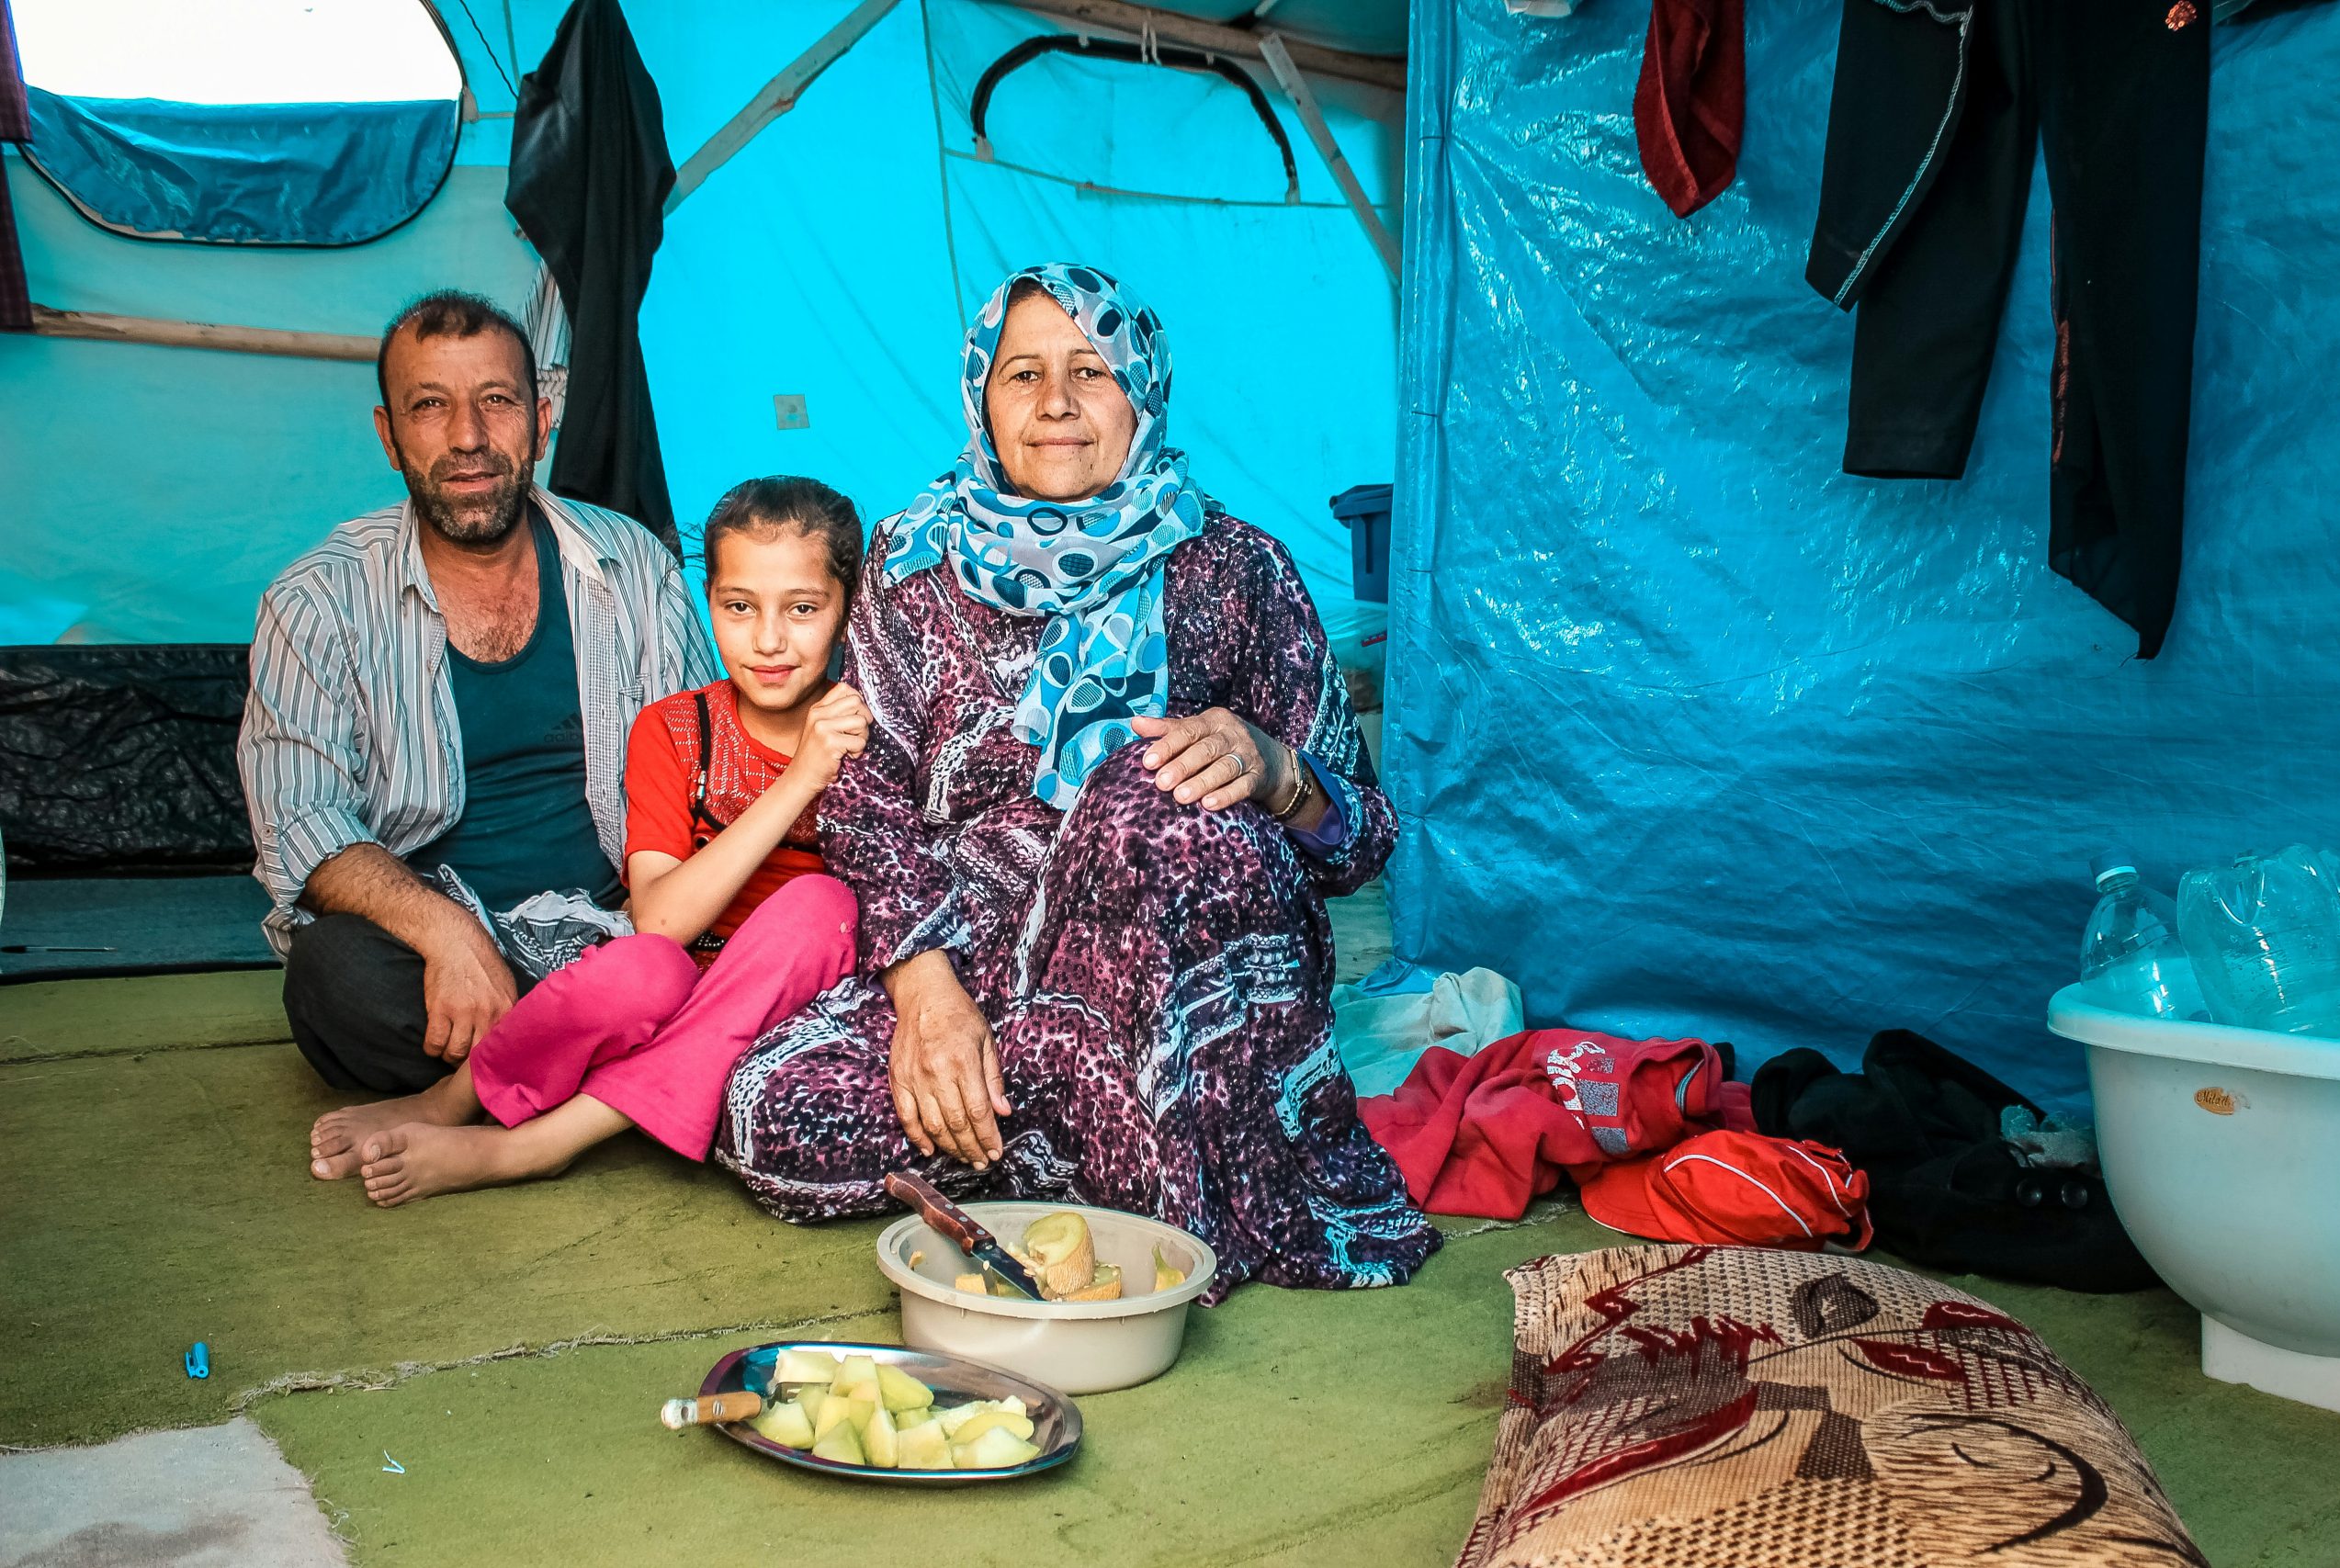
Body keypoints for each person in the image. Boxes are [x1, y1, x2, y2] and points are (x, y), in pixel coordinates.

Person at [716, 264, 1441, 1300]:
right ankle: (1129, 1119)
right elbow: (865, 798)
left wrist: (1278, 773)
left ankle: (1134, 1129)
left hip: (1182, 959)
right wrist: (925, 993)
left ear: (1141, 389)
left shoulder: (1236, 569)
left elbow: (1363, 836)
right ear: (982, 398)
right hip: (983, 963)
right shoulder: (913, 566)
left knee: (1146, 800)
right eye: (1023, 375)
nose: (1055, 404)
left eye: (1090, 371)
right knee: (773, 1111)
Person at [308, 479, 874, 1204]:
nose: (768, 639)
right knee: (643, 966)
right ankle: (456, 1098)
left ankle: (536, 1144)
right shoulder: (673, 730)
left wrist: (826, 761)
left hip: (797, 1011)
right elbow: (662, 920)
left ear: (847, 610)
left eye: (802, 608)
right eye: (739, 607)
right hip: (689, 987)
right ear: (709, 604)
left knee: (818, 903)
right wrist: (799, 780)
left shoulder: (870, 727)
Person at [239, 290, 717, 1110]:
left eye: (496, 401)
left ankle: (517, 1074)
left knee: (767, 930)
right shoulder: (316, 601)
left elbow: (706, 762)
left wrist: (663, 927)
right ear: (390, 436)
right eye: (431, 406)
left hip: (618, 935)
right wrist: (447, 933)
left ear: (542, 416)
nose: (467, 437)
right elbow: (302, 823)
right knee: (332, 976)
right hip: (437, 959)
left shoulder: (631, 564)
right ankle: (631, 1061)